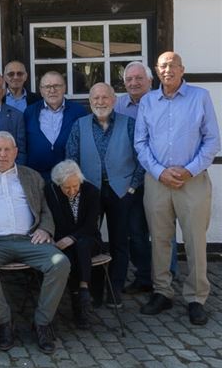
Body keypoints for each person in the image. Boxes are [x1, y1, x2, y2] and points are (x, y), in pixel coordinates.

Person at [135, 51, 220, 325]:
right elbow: (141, 143)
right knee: (159, 239)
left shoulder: (200, 97)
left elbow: (212, 140)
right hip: (157, 181)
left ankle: (196, 298)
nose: (167, 70)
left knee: (195, 240)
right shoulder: (148, 101)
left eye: (172, 65)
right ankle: (162, 292)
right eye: (162, 66)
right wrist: (160, 172)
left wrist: (189, 169)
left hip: (191, 181)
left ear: (182, 69)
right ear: (156, 72)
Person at [0, 132, 70, 354]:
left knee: (60, 263)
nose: (2, 154)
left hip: (30, 239)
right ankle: (5, 322)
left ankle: (42, 323)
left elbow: (45, 209)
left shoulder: (31, 176)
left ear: (15, 152)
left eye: (7, 150)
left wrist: (44, 228)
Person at [66, 82, 144, 306]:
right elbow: (71, 158)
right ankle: (95, 288)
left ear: (114, 100)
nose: (100, 102)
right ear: (90, 102)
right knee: (91, 239)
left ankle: (115, 289)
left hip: (122, 191)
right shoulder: (79, 125)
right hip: (90, 191)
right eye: (95, 99)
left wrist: (132, 187)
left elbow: (142, 157)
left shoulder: (129, 124)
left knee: (120, 241)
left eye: (104, 97)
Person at [114, 61, 160, 293]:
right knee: (135, 231)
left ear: (150, 80)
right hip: (128, 178)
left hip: (155, 175)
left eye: (139, 78)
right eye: (129, 79)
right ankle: (143, 277)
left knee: (161, 231)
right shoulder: (118, 105)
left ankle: (165, 277)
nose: (133, 83)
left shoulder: (158, 102)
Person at [45, 160, 101, 329]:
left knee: (81, 245)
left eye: (75, 186)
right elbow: (54, 222)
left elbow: (91, 225)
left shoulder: (91, 191)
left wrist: (73, 238)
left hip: (89, 239)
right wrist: (66, 239)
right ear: (58, 184)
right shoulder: (51, 192)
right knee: (69, 254)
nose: (72, 191)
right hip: (62, 240)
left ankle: (82, 290)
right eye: (66, 188)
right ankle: (80, 301)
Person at [24, 71, 87, 181]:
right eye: (47, 86)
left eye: (57, 86)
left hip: (69, 179)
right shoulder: (29, 112)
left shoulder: (78, 112)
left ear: (64, 88)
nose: (52, 90)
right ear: (41, 90)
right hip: (36, 177)